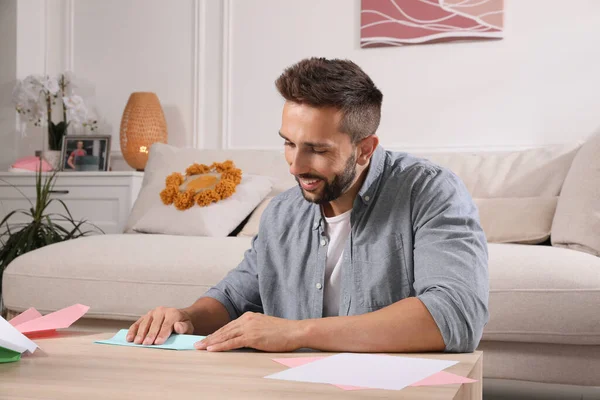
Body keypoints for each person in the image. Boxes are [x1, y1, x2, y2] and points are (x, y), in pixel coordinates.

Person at [127, 58, 489, 353]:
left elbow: (455, 315)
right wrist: (185, 317)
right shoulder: (284, 211)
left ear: (364, 149)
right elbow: (235, 298)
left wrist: (298, 333)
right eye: (288, 143)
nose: (296, 166)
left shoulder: (429, 192)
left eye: (317, 149)